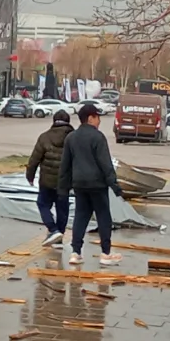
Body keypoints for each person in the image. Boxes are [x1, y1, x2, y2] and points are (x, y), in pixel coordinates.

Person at [57, 103, 124, 266]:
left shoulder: (71, 138)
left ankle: (75, 253)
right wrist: (115, 187)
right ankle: (106, 253)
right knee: (103, 217)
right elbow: (105, 164)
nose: (99, 120)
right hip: (97, 185)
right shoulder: (97, 137)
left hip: (79, 184)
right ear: (90, 118)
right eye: (97, 116)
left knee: (80, 217)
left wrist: (63, 189)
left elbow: (65, 165)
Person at [26, 110, 74, 247]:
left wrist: (30, 176)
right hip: (65, 182)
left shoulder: (45, 137)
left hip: (47, 181)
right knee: (62, 209)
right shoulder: (74, 138)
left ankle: (53, 229)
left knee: (43, 204)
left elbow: (34, 159)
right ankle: (59, 238)